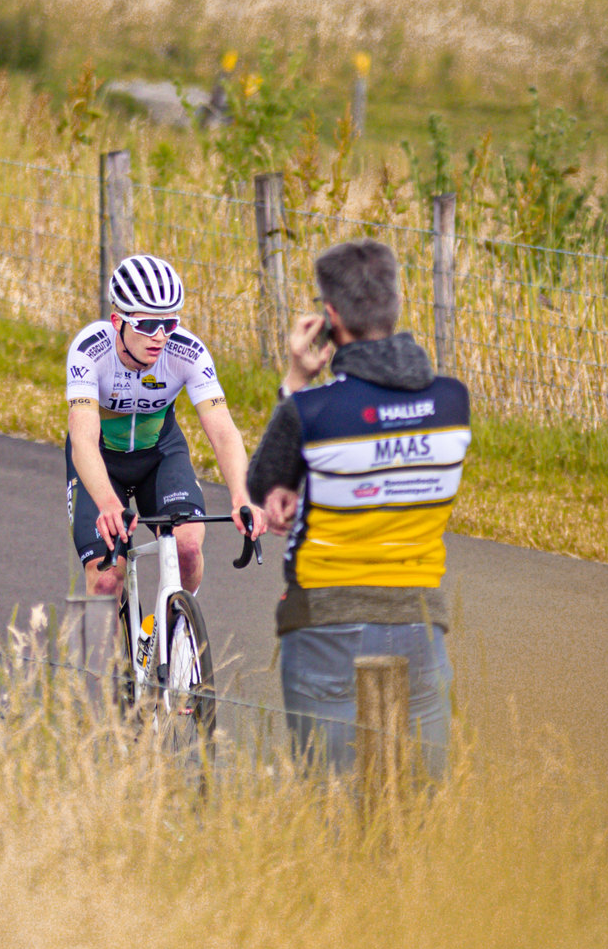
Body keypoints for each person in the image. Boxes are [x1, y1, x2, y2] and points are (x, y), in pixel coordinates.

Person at [245, 236, 471, 776]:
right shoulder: (452, 402)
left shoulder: (311, 411)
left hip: (326, 621)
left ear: (330, 318)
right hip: (420, 622)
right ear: (394, 306)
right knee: (420, 807)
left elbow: (263, 484)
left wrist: (297, 378)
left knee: (332, 805)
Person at [66, 254, 262, 599]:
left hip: (159, 456)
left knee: (187, 548)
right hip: (100, 462)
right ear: (117, 321)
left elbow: (223, 432)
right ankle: (103, 656)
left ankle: (174, 637)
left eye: (169, 324)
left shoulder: (188, 353)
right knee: (107, 580)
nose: (159, 336)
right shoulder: (88, 352)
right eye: (146, 325)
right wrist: (109, 504)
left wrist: (242, 496)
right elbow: (82, 440)